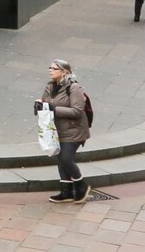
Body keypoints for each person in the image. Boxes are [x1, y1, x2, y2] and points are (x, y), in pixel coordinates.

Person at [37, 59, 92, 202]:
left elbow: (77, 111)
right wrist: (40, 105)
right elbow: (46, 103)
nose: (50, 70)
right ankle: (66, 191)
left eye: (54, 68)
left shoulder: (74, 88)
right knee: (61, 159)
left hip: (74, 130)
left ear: (64, 72)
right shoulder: (50, 86)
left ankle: (81, 185)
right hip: (56, 130)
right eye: (50, 67)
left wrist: (54, 109)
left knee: (65, 158)